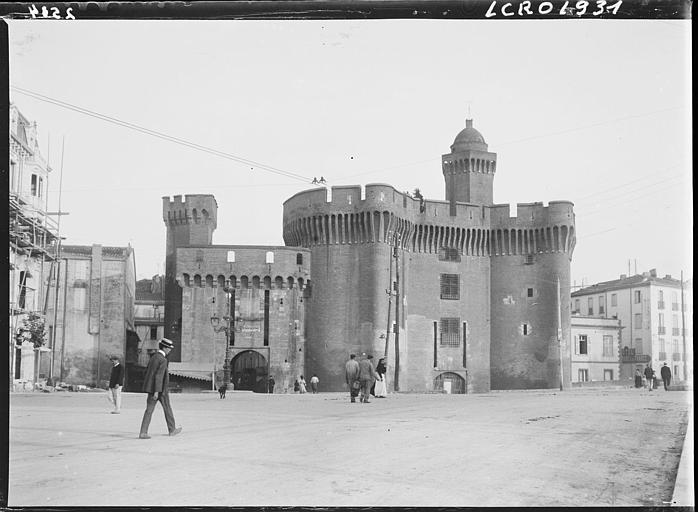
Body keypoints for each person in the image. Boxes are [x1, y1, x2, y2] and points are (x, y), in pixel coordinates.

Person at [139, 338, 182, 439]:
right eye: (169, 348)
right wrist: (157, 391)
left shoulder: (153, 357)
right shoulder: (163, 360)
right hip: (160, 390)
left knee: (148, 411)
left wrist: (152, 389)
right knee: (167, 408)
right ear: (164, 348)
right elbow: (159, 376)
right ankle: (172, 430)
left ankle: (143, 432)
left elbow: (148, 373)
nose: (170, 350)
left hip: (151, 389)